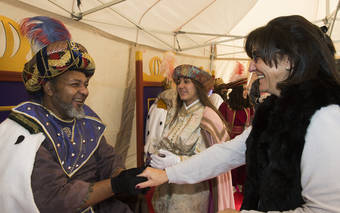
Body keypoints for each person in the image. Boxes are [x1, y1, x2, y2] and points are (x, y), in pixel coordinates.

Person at [137, 15, 340, 213]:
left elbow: (326, 209)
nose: (251, 67)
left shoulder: (325, 116)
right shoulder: (275, 110)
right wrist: (168, 174)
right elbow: (228, 153)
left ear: (288, 60)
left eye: (257, 58)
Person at [0, 16, 147, 213]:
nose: (85, 91)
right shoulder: (28, 131)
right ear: (49, 88)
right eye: (75, 84)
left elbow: (107, 158)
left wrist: (123, 176)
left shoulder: (84, 118)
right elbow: (55, 199)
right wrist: (115, 185)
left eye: (85, 84)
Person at [144, 64, 235, 212]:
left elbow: (214, 159)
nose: (180, 86)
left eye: (186, 81)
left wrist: (178, 161)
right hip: (165, 189)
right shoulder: (176, 113)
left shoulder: (208, 116)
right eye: (178, 82)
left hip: (191, 195)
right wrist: (159, 155)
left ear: (198, 86)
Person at [216, 78, 254, 210]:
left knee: (243, 163)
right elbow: (219, 122)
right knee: (230, 163)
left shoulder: (249, 106)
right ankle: (230, 185)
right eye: (243, 89)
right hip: (229, 138)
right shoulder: (225, 106)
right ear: (237, 91)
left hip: (245, 139)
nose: (246, 92)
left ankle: (241, 184)